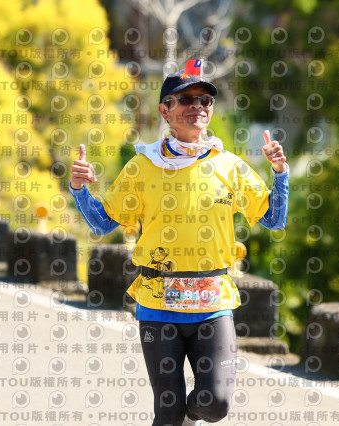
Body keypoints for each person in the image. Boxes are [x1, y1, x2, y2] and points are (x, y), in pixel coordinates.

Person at [69, 60, 289, 426]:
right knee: (168, 412)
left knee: (215, 403)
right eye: (186, 99)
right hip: (158, 302)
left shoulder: (230, 166)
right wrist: (79, 189)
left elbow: (273, 219)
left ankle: (189, 419)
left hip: (212, 301)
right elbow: (102, 221)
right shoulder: (143, 166)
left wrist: (280, 173)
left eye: (205, 100)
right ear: (164, 110)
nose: (197, 107)